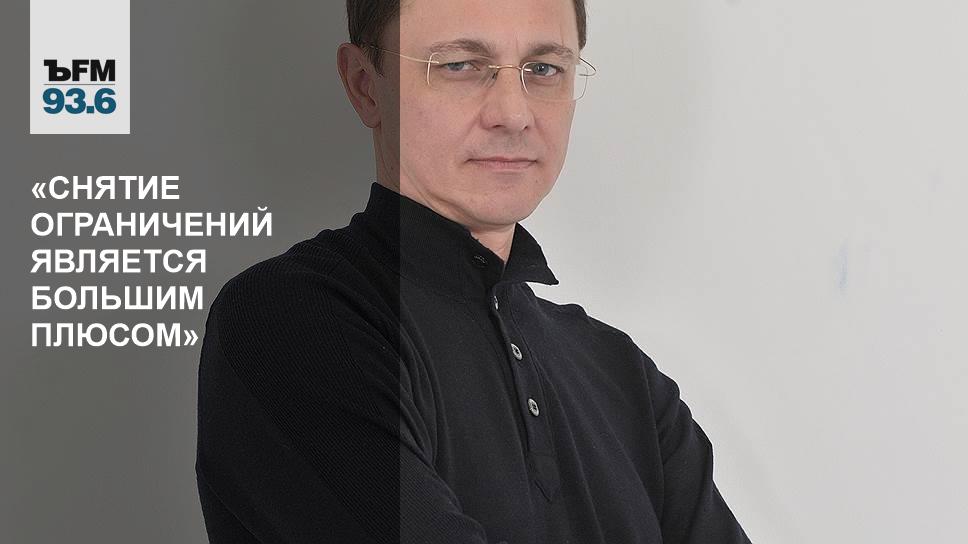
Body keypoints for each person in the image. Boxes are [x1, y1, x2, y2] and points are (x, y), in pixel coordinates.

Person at [195, 0, 754, 542]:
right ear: (366, 85)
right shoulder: (287, 322)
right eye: (460, 65)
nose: (514, 114)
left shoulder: (625, 377)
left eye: (543, 68)